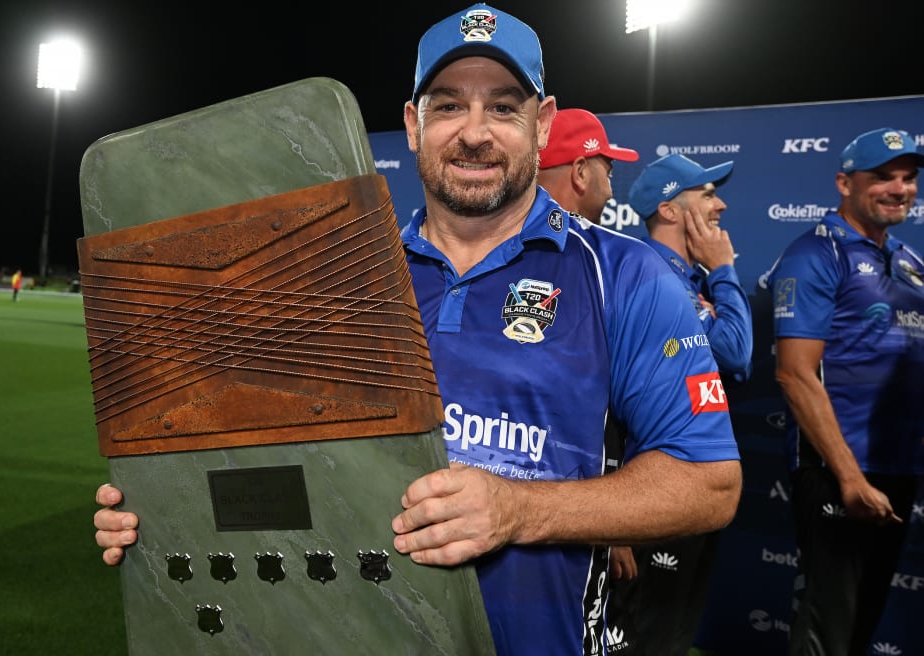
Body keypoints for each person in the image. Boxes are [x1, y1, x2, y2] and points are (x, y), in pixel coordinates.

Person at [94, 5, 743, 654]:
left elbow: (708, 482)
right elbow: (285, 477)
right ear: (413, 124)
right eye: (449, 106)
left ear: (542, 124)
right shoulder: (339, 280)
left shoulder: (624, 275)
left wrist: (524, 511)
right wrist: (168, 515)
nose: (475, 132)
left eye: (504, 107)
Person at [764, 127, 924, 656]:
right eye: (882, 177)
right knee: (826, 629)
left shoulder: (909, 260)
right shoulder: (815, 252)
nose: (900, 188)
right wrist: (849, 477)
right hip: (837, 471)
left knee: (858, 627)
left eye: (908, 177)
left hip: (898, 468)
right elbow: (794, 374)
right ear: (844, 183)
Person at [604, 153, 754, 656]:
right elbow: (736, 350)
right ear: (669, 209)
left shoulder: (687, 281)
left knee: (673, 636)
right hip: (650, 492)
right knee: (648, 639)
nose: (723, 205)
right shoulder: (651, 277)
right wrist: (726, 270)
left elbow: (736, 362)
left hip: (685, 487)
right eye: (708, 194)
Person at [535, 108, 643, 593]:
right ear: (580, 172)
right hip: (562, 532)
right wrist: (612, 519)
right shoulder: (612, 268)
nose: (613, 189)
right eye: (608, 170)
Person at [536, 108, 639, 225]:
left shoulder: (515, 238)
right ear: (580, 173)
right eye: (608, 174)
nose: (609, 193)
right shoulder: (602, 243)